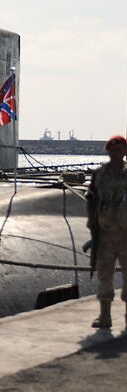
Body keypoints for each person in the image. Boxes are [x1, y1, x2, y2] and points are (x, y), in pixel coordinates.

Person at [86, 135, 127, 328]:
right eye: (113, 150)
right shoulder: (99, 174)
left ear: (125, 152)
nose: (116, 154)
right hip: (105, 233)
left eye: (120, 150)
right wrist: (91, 223)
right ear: (108, 152)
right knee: (105, 274)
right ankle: (105, 316)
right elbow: (91, 197)